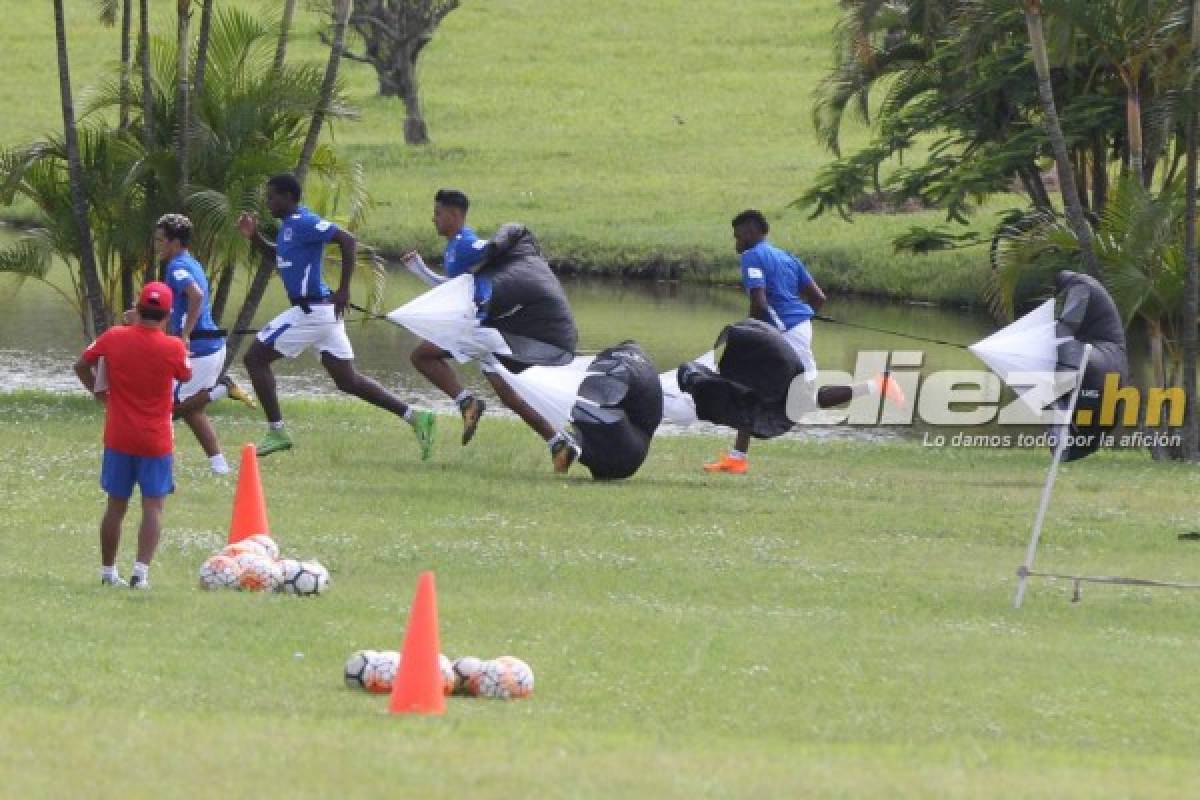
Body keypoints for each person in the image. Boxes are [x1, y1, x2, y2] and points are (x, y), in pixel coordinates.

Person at [236, 174, 436, 459]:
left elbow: (347, 239)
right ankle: (416, 417)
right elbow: (276, 256)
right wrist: (254, 236)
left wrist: (343, 290)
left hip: (313, 311)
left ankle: (277, 430)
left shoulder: (304, 222)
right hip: (320, 312)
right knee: (347, 380)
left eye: (272, 197)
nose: (268, 203)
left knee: (254, 358)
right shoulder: (288, 228)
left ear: (289, 197)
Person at [701, 210, 904, 474]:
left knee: (804, 401)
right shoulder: (788, 257)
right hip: (791, 330)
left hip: (782, 333)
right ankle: (737, 458)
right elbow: (818, 298)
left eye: (738, 237)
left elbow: (759, 303)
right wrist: (798, 319)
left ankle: (877, 385)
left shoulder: (752, 256)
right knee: (748, 389)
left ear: (751, 233)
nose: (736, 244)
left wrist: (752, 332)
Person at [74, 282, 192, 589]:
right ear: (167, 314)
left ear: (137, 309)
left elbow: (81, 365)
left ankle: (107, 572)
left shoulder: (114, 337)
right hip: (155, 440)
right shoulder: (173, 347)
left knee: (116, 505)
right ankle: (140, 573)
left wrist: (101, 396)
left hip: (119, 436)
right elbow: (185, 373)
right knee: (153, 506)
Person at [155, 213, 256, 475]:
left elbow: (196, 296)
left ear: (175, 242)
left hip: (199, 349)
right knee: (192, 410)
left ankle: (221, 389)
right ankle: (219, 466)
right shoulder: (190, 262)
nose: (157, 245)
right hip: (209, 347)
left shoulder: (176, 267)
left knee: (165, 411)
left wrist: (184, 333)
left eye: (161, 240)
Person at [402, 189, 488, 445]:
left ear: (453, 215)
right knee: (509, 390)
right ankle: (557, 442)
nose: (434, 219)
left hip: (480, 323)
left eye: (438, 214)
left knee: (422, 355)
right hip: (473, 322)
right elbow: (449, 289)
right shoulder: (453, 246)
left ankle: (467, 403)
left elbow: (493, 248)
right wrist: (419, 269)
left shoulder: (464, 242)